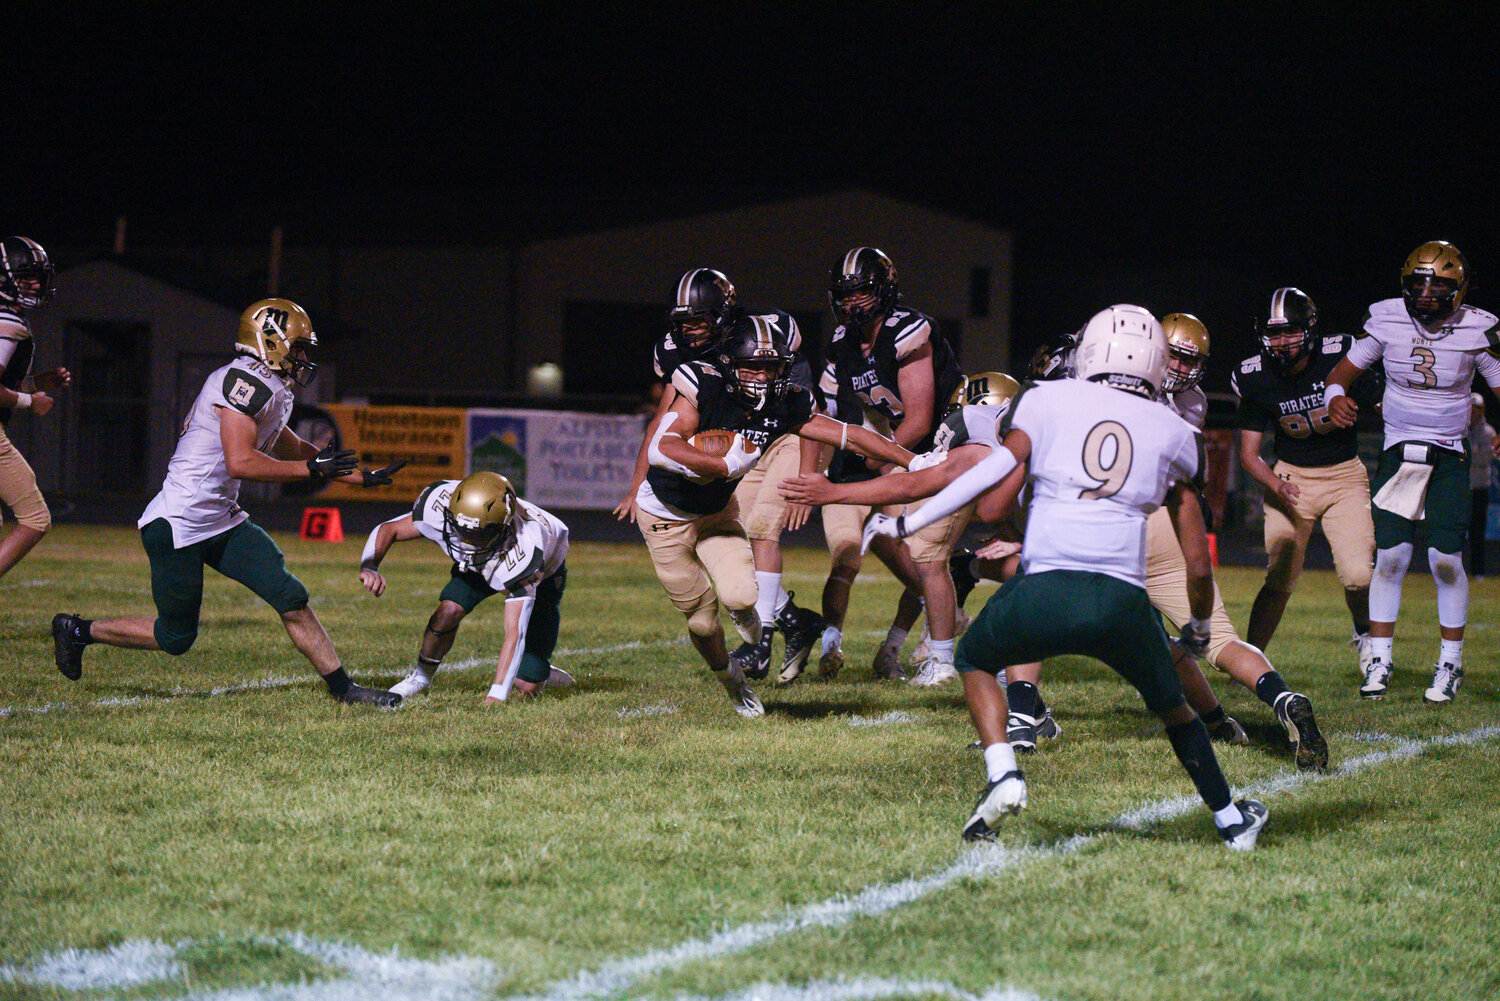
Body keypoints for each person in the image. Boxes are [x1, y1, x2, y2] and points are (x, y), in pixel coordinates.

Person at [791, 305, 1269, 848]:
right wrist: (1201, 624)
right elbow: (1198, 561)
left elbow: (993, 469)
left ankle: (1004, 773)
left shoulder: (1044, 399)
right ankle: (1230, 818)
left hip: (1042, 588)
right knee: (1175, 710)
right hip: (1121, 601)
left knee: (972, 659)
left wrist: (917, 519)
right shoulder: (1177, 431)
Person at [51, 299, 405, 706]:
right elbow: (241, 462)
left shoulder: (271, 385)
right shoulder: (244, 381)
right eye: (298, 347)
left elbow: (298, 450)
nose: (304, 357)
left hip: (221, 518)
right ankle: (77, 630)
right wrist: (312, 470)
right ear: (269, 342)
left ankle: (345, 690)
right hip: (178, 522)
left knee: (290, 596)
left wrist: (362, 478)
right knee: (176, 637)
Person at [638, 312, 911, 717]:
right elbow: (661, 449)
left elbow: (849, 435)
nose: (762, 377)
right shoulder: (704, 385)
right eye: (752, 366)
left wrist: (913, 460)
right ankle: (732, 680)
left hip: (716, 512)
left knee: (742, 596)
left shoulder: (787, 401)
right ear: (730, 364)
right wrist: (722, 465)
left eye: (771, 367)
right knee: (701, 623)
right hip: (664, 515)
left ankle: (756, 632)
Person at [615, 268, 824, 684]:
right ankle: (795, 622)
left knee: (762, 529)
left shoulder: (766, 331)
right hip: (732, 444)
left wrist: (808, 474)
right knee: (735, 539)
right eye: (684, 322)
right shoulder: (677, 352)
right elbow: (665, 419)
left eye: (700, 320)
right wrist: (638, 480)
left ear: (724, 313)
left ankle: (759, 644)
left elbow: (809, 411)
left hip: (783, 434)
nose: (691, 331)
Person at [1325, 241, 1500, 703]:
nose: (1425, 293)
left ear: (1459, 288)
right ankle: (1379, 658)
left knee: (1445, 559)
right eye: (1418, 283)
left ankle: (1450, 664)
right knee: (1391, 558)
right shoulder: (1386, 321)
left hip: (1449, 454)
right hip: (1399, 450)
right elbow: (1339, 376)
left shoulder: (1477, 330)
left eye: (1437, 284)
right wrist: (1335, 398)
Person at [823, 247, 967, 686]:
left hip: (946, 444)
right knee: (887, 538)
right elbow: (828, 414)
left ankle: (945, 655)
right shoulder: (841, 345)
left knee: (927, 556)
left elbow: (921, 419)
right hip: (901, 450)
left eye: (862, 292)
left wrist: (874, 457)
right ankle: (916, 635)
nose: (853, 303)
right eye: (845, 295)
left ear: (884, 290)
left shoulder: (908, 330)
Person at [1233, 288, 1379, 670]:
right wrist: (1276, 482)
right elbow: (1248, 454)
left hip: (1344, 475)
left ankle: (1365, 633)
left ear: (1311, 329)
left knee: (1358, 576)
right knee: (1279, 577)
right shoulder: (1255, 376)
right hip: (1291, 477)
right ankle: (1250, 659)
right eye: (1274, 333)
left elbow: (1384, 400)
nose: (1281, 342)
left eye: (1291, 332)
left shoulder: (1339, 356)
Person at [357, 471, 571, 703]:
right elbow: (390, 529)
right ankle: (420, 678)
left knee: (526, 685)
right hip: (485, 558)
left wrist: (496, 696)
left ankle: (540, 672)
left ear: (503, 527)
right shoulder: (440, 504)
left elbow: (514, 632)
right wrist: (370, 567)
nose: (468, 541)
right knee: (448, 610)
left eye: (479, 533)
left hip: (543, 570)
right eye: (462, 529)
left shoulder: (526, 550)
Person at [0, 236, 69, 582]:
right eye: (25, 276)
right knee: (34, 517)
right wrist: (31, 401)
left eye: (38, 276)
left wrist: (38, 383)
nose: (35, 284)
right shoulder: (7, 321)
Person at [1469, 394, 1495, 577]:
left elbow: (1486, 457)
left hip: (1479, 487)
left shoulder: (1488, 432)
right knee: (1454, 531)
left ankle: (1477, 571)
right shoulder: (1457, 428)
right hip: (1461, 487)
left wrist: (1467, 455)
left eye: (1476, 409)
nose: (1472, 413)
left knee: (1478, 531)